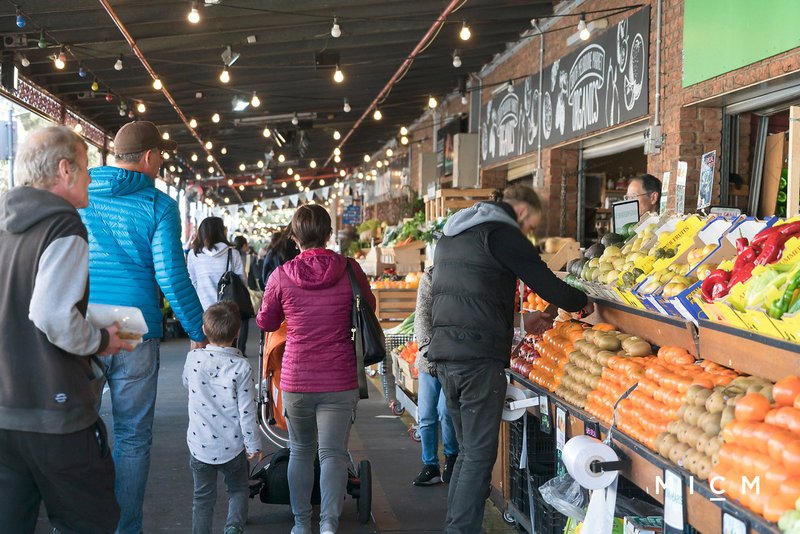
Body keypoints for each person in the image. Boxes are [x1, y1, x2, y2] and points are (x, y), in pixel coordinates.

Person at [428, 184, 593, 533]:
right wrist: (581, 301)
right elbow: (547, 284)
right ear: (521, 212)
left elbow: (472, 297)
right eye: (531, 224)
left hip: (446, 356)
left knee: (466, 452)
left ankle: (455, 526)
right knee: (478, 455)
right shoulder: (502, 233)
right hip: (477, 359)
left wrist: (519, 322)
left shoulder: (453, 235)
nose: (529, 233)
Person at [0, 126, 132, 533]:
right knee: (88, 523)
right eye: (87, 168)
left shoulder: (5, 228)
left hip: (6, 414)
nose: (91, 178)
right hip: (58, 416)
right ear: (64, 170)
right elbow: (51, 315)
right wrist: (99, 339)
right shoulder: (64, 227)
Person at [81, 120, 206, 533]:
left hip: (82, 322)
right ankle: (125, 528)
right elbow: (170, 274)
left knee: (75, 427)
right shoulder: (157, 204)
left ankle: (76, 523)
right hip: (132, 323)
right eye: (161, 159)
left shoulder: (80, 193)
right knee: (132, 436)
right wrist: (197, 330)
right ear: (150, 157)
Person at [257, 204, 375, 534]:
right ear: (329, 234)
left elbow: (265, 320)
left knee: (300, 451)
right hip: (339, 378)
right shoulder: (350, 270)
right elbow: (369, 307)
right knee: (333, 454)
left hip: (297, 378)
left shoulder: (281, 275)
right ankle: (328, 524)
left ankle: (300, 524)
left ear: (295, 238)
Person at [183, 301, 261, 534]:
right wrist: (253, 445)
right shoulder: (242, 367)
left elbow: (186, 384)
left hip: (200, 446)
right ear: (238, 333)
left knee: (202, 497)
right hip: (233, 446)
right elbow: (247, 411)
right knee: (237, 489)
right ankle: (233, 528)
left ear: (205, 331)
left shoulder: (193, 359)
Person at [412, 266, 459, 487]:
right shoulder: (430, 276)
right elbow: (421, 316)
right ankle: (430, 464)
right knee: (427, 413)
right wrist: (428, 351)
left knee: (446, 410)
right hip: (429, 358)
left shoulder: (463, 274)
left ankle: (452, 458)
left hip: (455, 357)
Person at [187, 217, 246, 311]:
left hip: (203, 308)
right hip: (229, 309)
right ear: (221, 232)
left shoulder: (193, 254)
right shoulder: (233, 253)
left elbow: (192, 283)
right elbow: (242, 282)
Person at [233, 235, 260, 356]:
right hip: (245, 294)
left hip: (232, 293)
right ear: (244, 245)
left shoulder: (230, 256)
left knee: (231, 320)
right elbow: (256, 277)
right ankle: (241, 349)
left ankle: (231, 346)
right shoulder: (250, 259)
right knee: (244, 322)